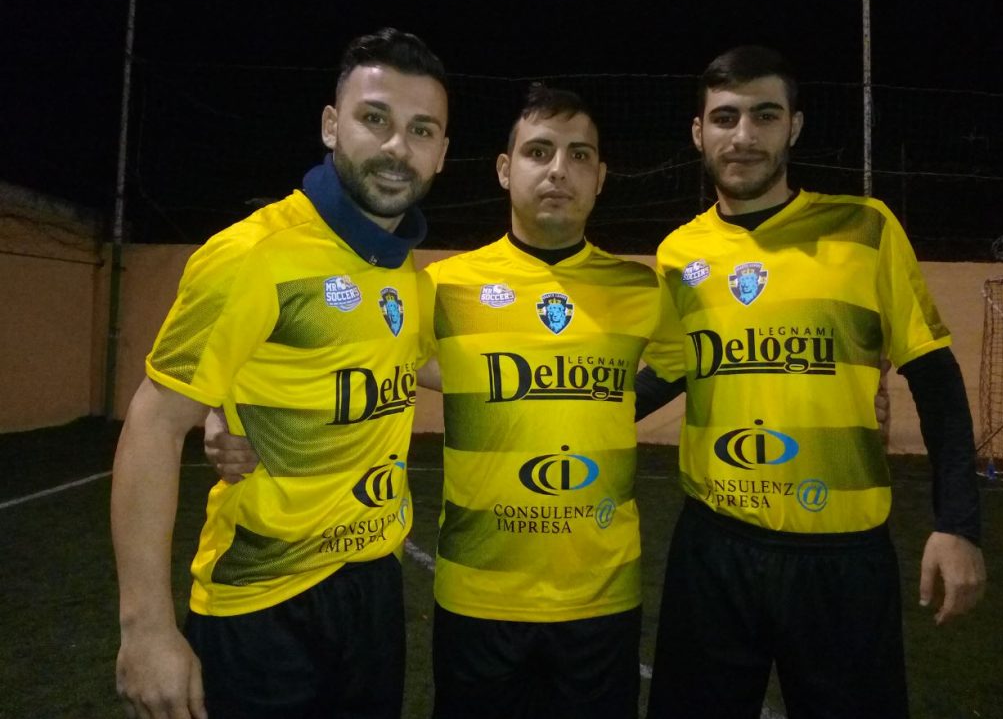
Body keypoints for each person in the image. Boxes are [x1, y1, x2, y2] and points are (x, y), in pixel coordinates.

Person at [208, 85, 688, 719]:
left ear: (600, 178)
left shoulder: (640, 288)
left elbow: (685, 360)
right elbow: (332, 354)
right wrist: (219, 411)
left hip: (603, 593)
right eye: (539, 151)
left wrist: (611, 407)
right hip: (475, 593)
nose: (558, 170)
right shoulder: (440, 287)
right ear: (504, 169)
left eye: (579, 156)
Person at [110, 27, 449, 719]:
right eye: (375, 118)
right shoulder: (252, 255)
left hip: (373, 591)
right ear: (331, 125)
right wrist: (145, 629)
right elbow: (153, 419)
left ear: (441, 153)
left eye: (421, 130)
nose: (397, 146)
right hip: (262, 602)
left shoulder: (404, 274)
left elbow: (428, 367)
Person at [643, 45, 986, 719]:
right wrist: (553, 404)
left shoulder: (865, 227)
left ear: (794, 127)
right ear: (699, 132)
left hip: (842, 558)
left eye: (765, 116)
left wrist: (958, 524)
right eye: (725, 118)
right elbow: (668, 372)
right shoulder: (679, 254)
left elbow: (936, 378)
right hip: (712, 547)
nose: (744, 136)